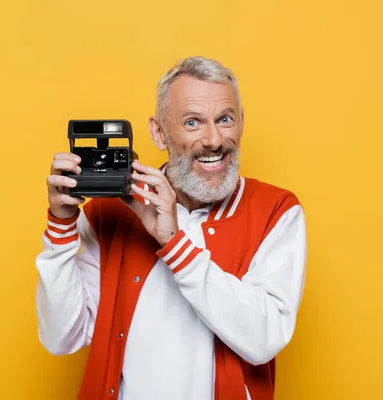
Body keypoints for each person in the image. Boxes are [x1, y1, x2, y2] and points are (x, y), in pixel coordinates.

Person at [34, 56, 307, 400]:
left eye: (225, 119)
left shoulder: (276, 211)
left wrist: (173, 243)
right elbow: (61, 337)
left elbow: (264, 337)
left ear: (241, 123)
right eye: (193, 122)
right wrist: (61, 225)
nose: (213, 140)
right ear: (158, 133)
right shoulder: (110, 212)